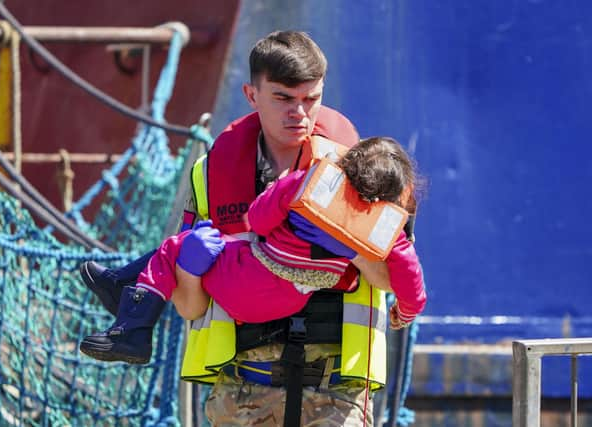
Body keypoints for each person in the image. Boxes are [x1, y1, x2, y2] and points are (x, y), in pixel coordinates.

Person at [78, 30, 421, 426]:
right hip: (240, 395)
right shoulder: (209, 174)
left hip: (337, 396)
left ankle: (122, 287)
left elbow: (394, 278)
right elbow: (192, 307)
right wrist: (189, 269)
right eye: (283, 98)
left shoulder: (363, 170)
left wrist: (346, 238)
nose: (300, 113)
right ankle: (128, 300)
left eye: (311, 98)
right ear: (251, 94)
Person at [80, 136, 426, 364]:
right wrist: (405, 313)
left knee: (177, 247)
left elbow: (258, 220)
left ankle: (134, 329)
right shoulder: (384, 227)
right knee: (181, 250)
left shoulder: (307, 182)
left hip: (247, 282)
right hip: (290, 300)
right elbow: (411, 279)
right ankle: (120, 284)